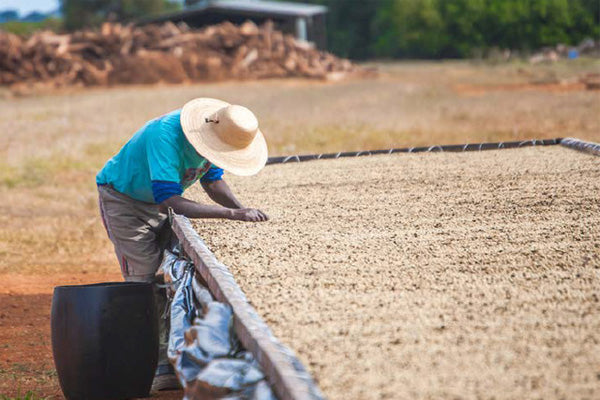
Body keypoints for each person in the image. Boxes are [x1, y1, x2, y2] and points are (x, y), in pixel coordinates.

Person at [96, 98, 269, 391]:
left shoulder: (215, 140)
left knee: (171, 275)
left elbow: (213, 183)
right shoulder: (165, 135)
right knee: (145, 278)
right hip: (125, 201)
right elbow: (169, 198)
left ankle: (173, 352)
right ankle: (153, 362)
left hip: (158, 200)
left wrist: (243, 211)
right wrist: (230, 214)